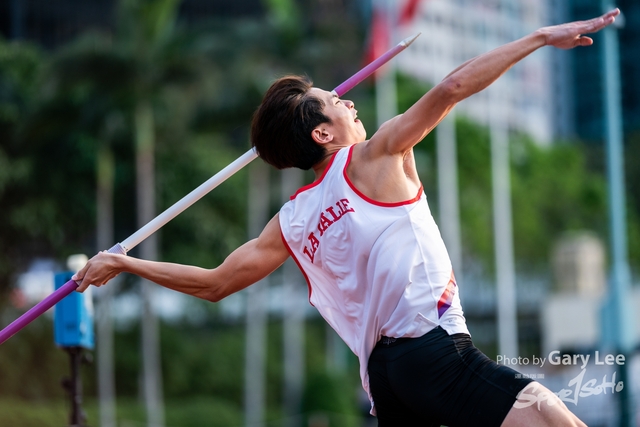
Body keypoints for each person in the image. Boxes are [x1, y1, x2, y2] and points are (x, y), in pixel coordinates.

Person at [74, 9, 620, 426]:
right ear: (322, 133)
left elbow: (216, 284)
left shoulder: (292, 220)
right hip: (432, 349)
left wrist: (127, 264)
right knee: (548, 412)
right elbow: (453, 88)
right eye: (334, 100)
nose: (349, 101)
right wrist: (541, 37)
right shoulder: (375, 157)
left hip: (387, 377)